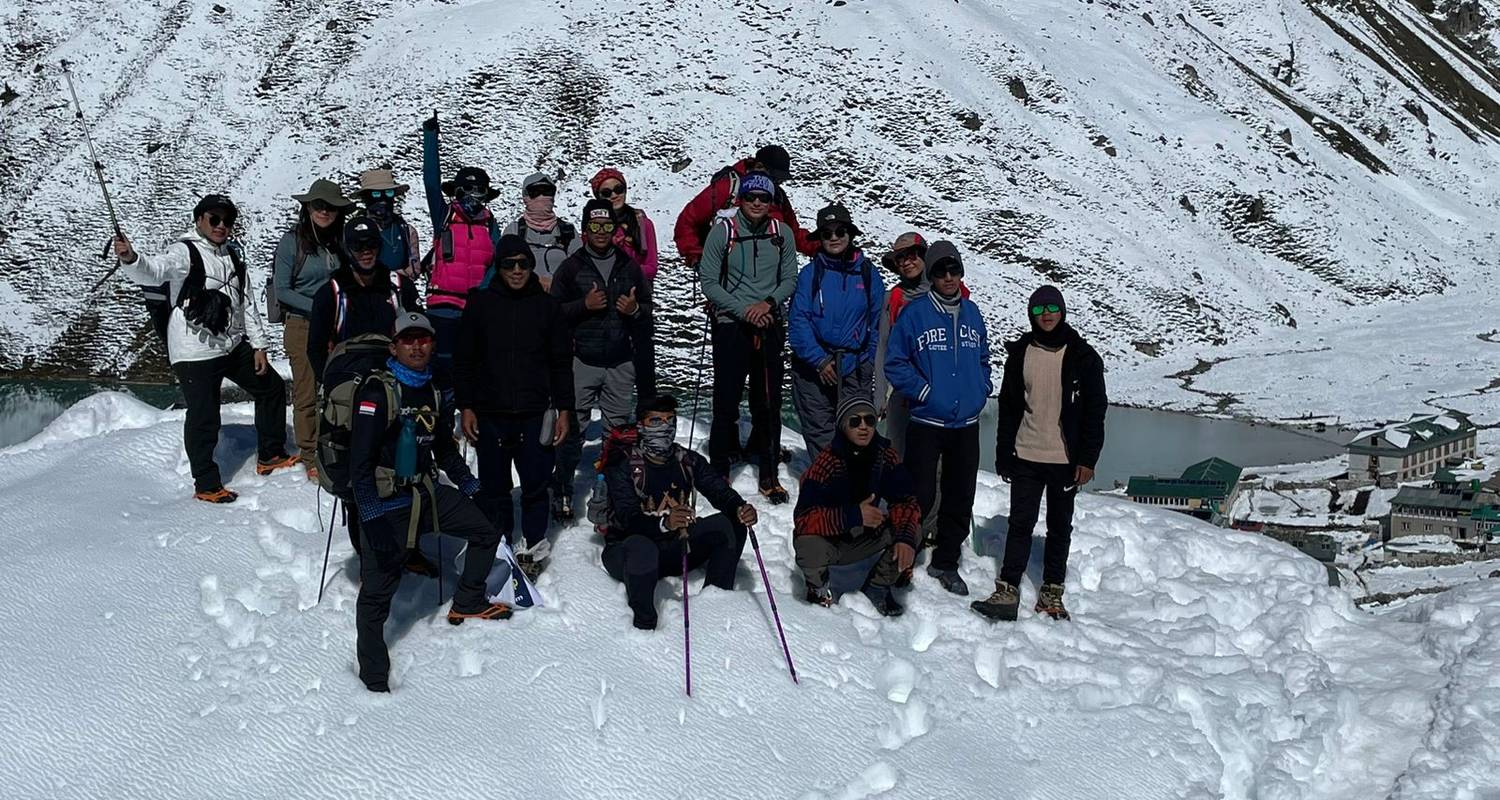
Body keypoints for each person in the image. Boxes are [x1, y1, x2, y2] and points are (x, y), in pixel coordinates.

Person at [348, 312, 512, 692]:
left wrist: (472, 488)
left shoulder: (435, 390)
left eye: (423, 339)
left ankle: (468, 601)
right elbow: (359, 464)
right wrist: (370, 515)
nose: (417, 346)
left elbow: (444, 450)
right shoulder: (377, 393)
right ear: (394, 347)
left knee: (486, 530)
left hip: (424, 493)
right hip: (387, 500)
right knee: (377, 591)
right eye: (408, 340)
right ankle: (373, 675)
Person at [112, 194, 297, 503]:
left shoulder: (232, 255)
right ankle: (207, 485)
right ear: (199, 220)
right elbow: (154, 271)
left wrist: (259, 346)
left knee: (272, 388)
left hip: (230, 345)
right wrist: (131, 258)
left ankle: (271, 455)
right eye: (214, 219)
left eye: (227, 221)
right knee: (204, 414)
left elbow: (246, 303)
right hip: (193, 350)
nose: (221, 225)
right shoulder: (183, 252)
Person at [974, 286, 1107, 622]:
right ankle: (1008, 589)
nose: (1045, 315)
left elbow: (1095, 411)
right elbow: (1009, 406)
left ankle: (1052, 590)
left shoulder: (1083, 356)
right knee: (1020, 523)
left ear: (1062, 311)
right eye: (1038, 310)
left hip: (1065, 458)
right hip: (1027, 454)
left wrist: (1087, 459)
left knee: (1060, 526)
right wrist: (1004, 453)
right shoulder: (1021, 353)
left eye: (1052, 308)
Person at [454, 235, 575, 578]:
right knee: (495, 487)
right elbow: (464, 360)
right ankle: (500, 544)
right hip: (490, 413)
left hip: (535, 412)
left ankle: (533, 547)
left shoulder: (547, 307)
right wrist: (465, 405)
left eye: (523, 263)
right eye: (509, 264)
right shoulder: (480, 304)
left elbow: (561, 362)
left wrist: (565, 408)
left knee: (536, 485)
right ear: (499, 266)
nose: (517, 270)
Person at [883, 241, 991, 595]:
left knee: (961, 495)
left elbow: (984, 358)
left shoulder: (973, 313)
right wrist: (925, 393)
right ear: (931, 274)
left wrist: (981, 388)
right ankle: (904, 557)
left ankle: (946, 562)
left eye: (954, 269)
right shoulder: (915, 314)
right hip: (927, 422)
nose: (948, 276)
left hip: (966, 424)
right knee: (920, 494)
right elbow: (895, 363)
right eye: (940, 271)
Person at [600, 394, 758, 630]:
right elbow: (627, 518)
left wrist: (739, 507)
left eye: (669, 420)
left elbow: (718, 490)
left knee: (730, 523)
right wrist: (664, 523)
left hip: (676, 547)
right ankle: (644, 625)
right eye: (656, 421)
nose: (664, 427)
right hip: (629, 555)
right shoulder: (623, 465)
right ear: (641, 426)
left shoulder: (687, 460)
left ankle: (716, 602)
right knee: (641, 546)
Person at [696, 171, 800, 503]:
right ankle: (719, 469)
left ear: (771, 202)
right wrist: (747, 310)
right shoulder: (721, 232)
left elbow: (790, 279)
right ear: (741, 199)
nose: (757, 203)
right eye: (751, 197)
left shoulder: (781, 233)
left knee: (767, 401)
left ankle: (768, 475)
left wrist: (766, 304)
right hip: (731, 324)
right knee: (726, 400)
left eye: (764, 198)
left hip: (768, 322)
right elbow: (709, 283)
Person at [549, 199, 656, 521]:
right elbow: (552, 315)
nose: (600, 232)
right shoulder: (571, 267)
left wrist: (634, 311)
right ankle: (563, 487)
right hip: (582, 361)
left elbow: (648, 314)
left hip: (621, 362)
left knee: (618, 433)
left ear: (615, 229)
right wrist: (583, 305)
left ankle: (612, 491)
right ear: (584, 230)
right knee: (573, 429)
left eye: (606, 226)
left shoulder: (629, 266)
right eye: (594, 226)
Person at [792, 398, 920, 616]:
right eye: (855, 421)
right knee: (807, 544)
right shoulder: (826, 463)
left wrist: (904, 539)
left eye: (869, 420)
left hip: (866, 537)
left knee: (911, 527)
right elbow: (803, 520)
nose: (863, 426)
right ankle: (818, 589)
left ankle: (878, 586)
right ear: (843, 425)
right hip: (831, 541)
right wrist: (852, 515)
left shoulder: (885, 455)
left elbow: (906, 500)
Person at [787, 203, 883, 457]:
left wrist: (867, 361)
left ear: (850, 234)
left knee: (856, 433)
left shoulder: (867, 274)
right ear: (819, 238)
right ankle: (830, 489)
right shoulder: (810, 274)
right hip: (813, 369)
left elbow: (877, 324)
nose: (834, 238)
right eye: (827, 233)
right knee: (821, 434)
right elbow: (798, 320)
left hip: (854, 367)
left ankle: (856, 491)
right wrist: (819, 360)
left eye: (840, 231)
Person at [274, 178, 354, 472]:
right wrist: (321, 308)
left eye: (331, 207)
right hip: (302, 325)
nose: (324, 212)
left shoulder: (340, 242)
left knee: (336, 389)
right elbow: (282, 290)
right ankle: (310, 455)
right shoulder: (292, 242)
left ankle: (334, 445)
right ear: (308, 208)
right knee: (306, 391)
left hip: (335, 326)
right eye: (319, 206)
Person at [421, 113, 501, 390]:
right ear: (456, 192)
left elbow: (498, 261)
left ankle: (470, 427)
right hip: (442, 307)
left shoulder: (490, 223)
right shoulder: (443, 216)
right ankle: (442, 428)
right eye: (466, 190)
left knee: (472, 369)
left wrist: (485, 290)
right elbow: (431, 183)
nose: (472, 196)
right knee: (442, 371)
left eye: (479, 191)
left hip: (475, 309)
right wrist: (430, 138)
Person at [306, 216, 422, 384]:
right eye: (357, 246)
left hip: (395, 375)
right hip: (347, 377)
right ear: (347, 250)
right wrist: (328, 381)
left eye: (371, 244)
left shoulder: (399, 287)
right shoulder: (332, 293)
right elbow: (316, 346)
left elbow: (419, 330)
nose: (366, 251)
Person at [672, 145, 817, 268]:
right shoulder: (728, 188)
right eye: (776, 177)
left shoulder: (778, 197)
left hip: (768, 274)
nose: (778, 183)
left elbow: (793, 234)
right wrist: (696, 257)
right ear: (759, 167)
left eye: (780, 179)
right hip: (726, 273)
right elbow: (688, 220)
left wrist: (821, 246)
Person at [504, 173, 579, 287]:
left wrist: (557, 284)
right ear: (525, 196)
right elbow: (505, 270)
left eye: (547, 191)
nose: (542, 197)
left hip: (559, 300)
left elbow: (580, 268)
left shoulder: (567, 231)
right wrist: (535, 281)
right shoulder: (514, 231)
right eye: (535, 192)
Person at [590, 168, 658, 282]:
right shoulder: (593, 228)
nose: (614, 195)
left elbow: (651, 268)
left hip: (636, 295)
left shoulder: (644, 225)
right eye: (606, 193)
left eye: (618, 189)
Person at [355, 168, 423, 279]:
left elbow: (414, 270)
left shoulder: (407, 231)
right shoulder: (356, 232)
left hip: (400, 292)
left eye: (388, 193)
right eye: (376, 194)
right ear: (366, 198)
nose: (383, 200)